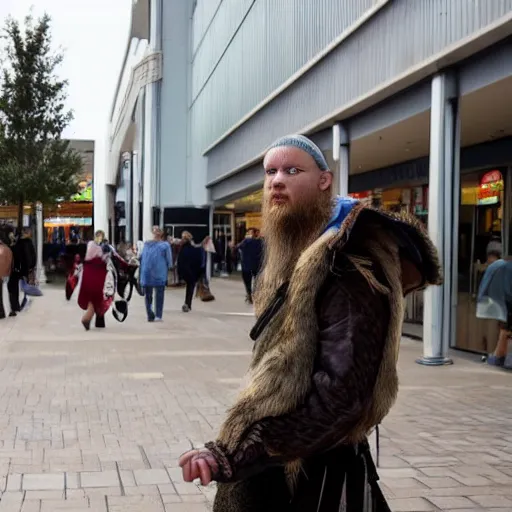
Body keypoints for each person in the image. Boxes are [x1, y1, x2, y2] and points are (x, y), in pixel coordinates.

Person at [179, 134, 441, 511]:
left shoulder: (349, 266)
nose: (276, 180)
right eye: (270, 171)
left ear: (324, 180)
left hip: (316, 473)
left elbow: (341, 396)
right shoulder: (302, 250)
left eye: (291, 170)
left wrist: (241, 450)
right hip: (286, 461)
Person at [477, 255, 512, 369]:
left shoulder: (499, 265)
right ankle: (498, 357)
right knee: (505, 330)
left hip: (500, 302)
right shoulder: (505, 266)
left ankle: (498, 357)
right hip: (504, 302)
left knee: (504, 330)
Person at [140, 227, 172, 322]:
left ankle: (150, 314)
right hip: (160, 274)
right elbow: (169, 261)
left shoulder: (146, 245)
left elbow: (141, 257)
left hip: (147, 273)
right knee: (159, 295)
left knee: (148, 295)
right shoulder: (165, 246)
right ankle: (158, 315)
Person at [177, 231, 202, 312]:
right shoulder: (194, 248)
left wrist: (180, 273)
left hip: (186, 271)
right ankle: (188, 304)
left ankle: (187, 304)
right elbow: (199, 260)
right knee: (190, 288)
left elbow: (180, 261)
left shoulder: (183, 248)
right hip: (193, 271)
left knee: (189, 287)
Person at [238, 228, 263, 304]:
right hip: (257, 265)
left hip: (246, 266)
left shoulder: (246, 241)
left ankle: (249, 295)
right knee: (257, 281)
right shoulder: (262, 242)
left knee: (247, 282)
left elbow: (238, 247)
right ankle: (256, 295)